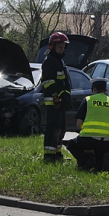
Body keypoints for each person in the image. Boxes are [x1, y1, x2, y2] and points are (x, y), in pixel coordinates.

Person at [67, 78, 109, 172]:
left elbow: (78, 123)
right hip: (107, 142)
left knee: (72, 145)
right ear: (106, 90)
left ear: (94, 89)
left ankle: (87, 161)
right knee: (100, 159)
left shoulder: (88, 100)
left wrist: (85, 131)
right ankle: (104, 160)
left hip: (89, 140)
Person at [41, 32, 72, 162]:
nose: (62, 49)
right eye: (60, 47)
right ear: (53, 46)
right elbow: (47, 81)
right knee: (53, 128)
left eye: (63, 47)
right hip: (53, 101)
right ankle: (49, 155)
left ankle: (57, 154)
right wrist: (55, 96)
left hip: (60, 101)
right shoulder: (50, 62)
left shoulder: (60, 61)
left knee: (61, 128)